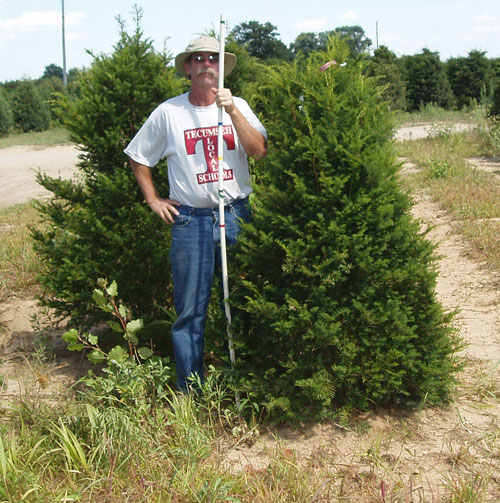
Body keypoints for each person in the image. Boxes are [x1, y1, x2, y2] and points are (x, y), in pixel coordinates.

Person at [124, 35, 267, 391]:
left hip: (237, 215)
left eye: (213, 58)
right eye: (199, 58)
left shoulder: (240, 105)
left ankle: (251, 382)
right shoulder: (169, 113)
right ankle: (190, 391)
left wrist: (232, 110)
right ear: (188, 68)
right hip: (190, 221)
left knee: (249, 302)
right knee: (189, 311)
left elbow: (259, 151)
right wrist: (154, 200)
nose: (206, 64)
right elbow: (138, 156)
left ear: (221, 67)